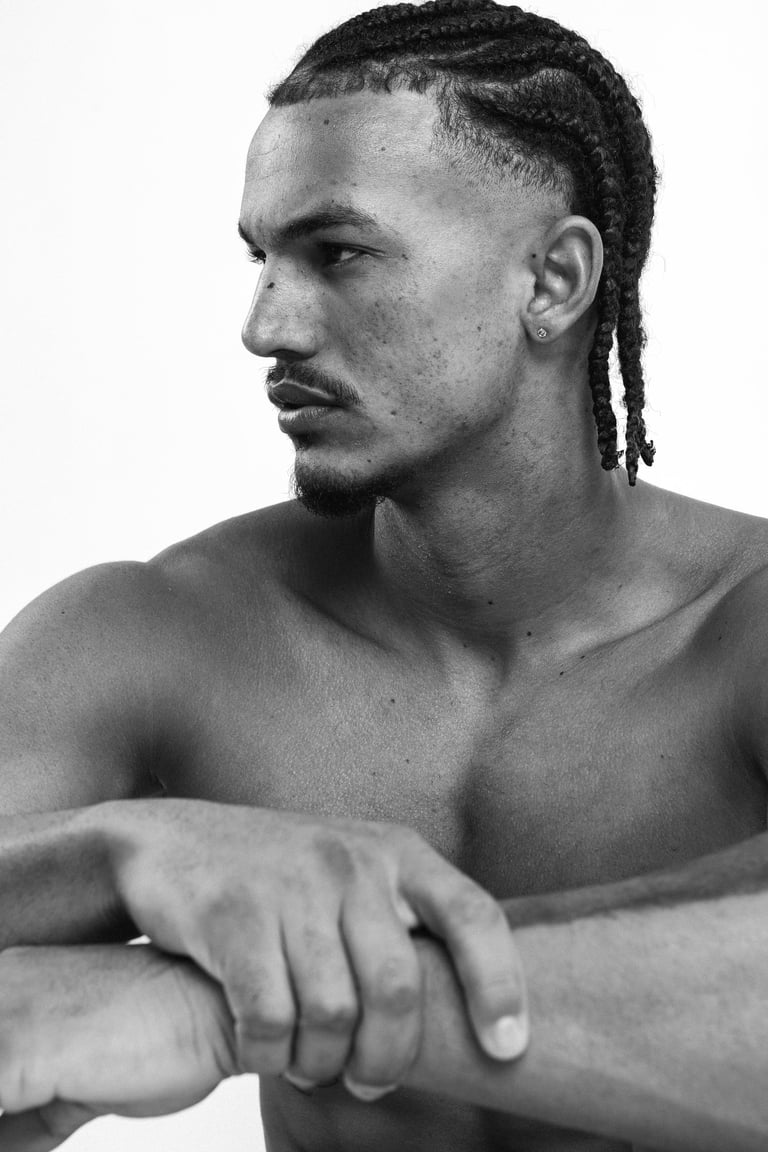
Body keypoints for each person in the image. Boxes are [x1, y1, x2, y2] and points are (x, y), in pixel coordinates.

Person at [1, 0, 767, 1149]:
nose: (266, 326)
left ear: (552, 280)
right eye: (262, 258)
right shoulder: (161, 634)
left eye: (338, 253)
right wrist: (119, 850)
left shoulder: (747, 632)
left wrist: (212, 1011)